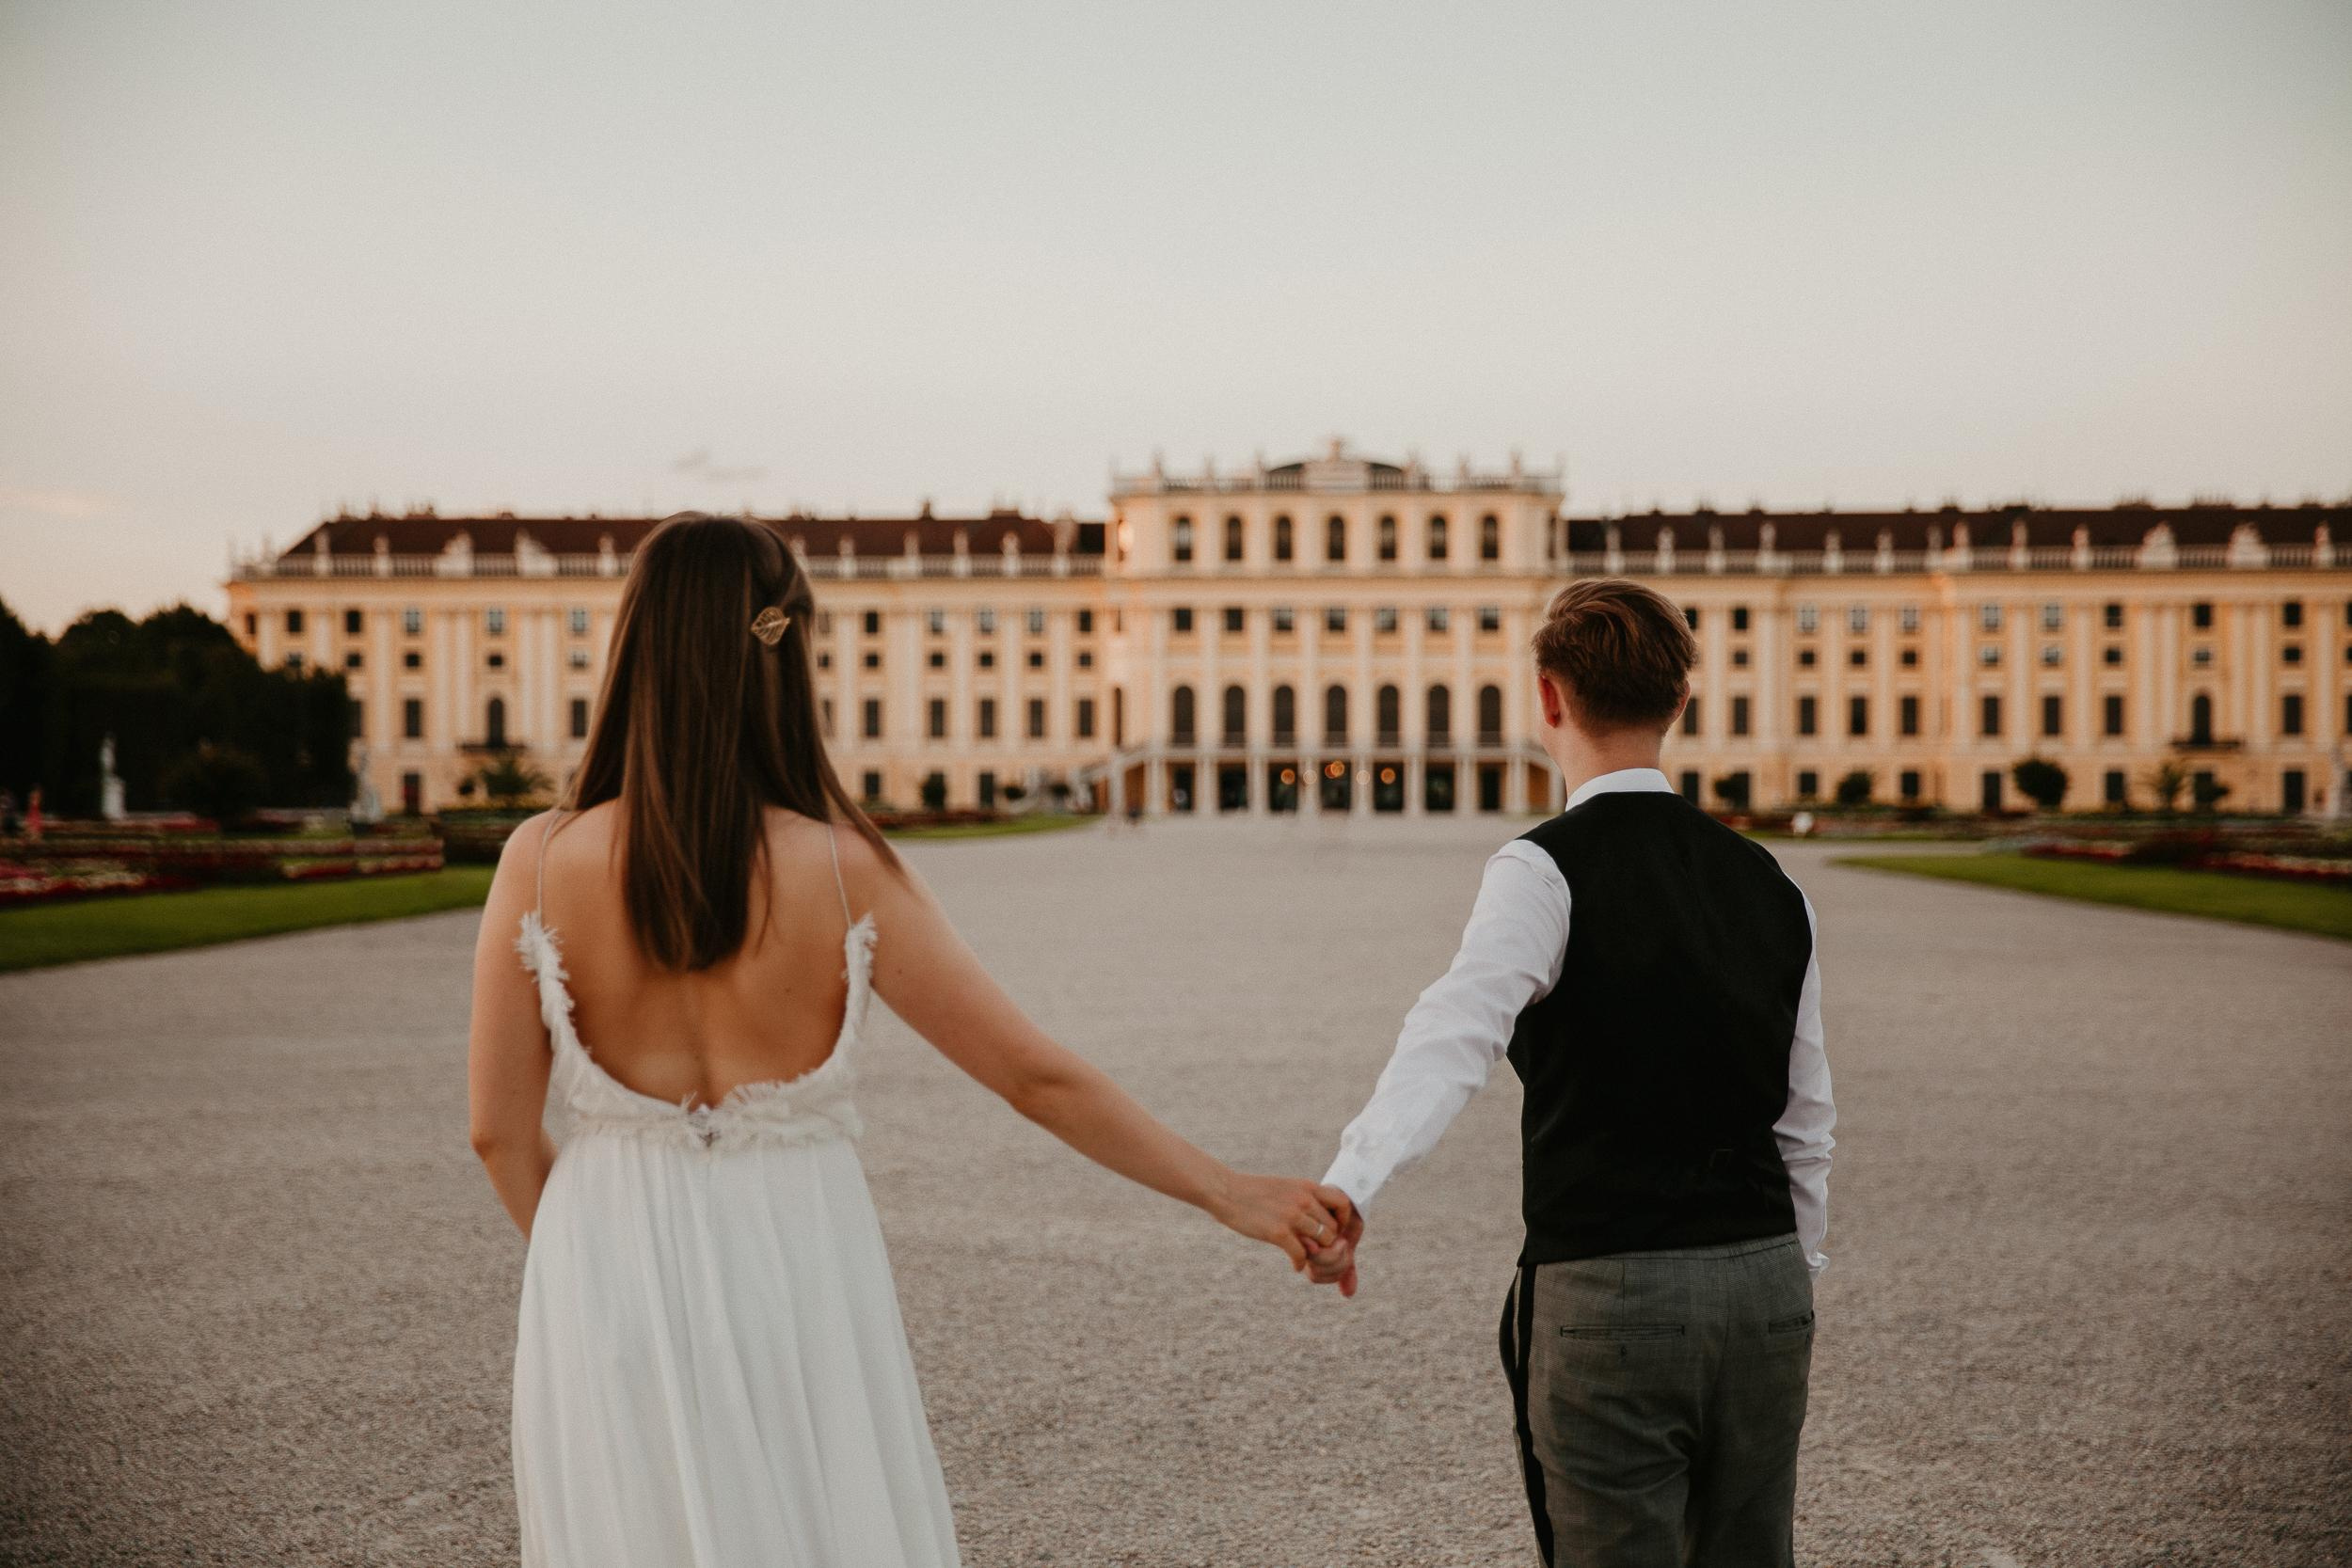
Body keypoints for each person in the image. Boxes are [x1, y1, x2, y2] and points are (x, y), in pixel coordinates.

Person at [467, 512, 1352, 1567]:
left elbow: (496, 1131)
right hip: (794, 1247)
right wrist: (1227, 1191)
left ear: (634, 648)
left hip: (600, 1262)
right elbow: (1032, 1074)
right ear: (782, 650)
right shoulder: (844, 867)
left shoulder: (539, 857)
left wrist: (594, 1265)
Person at [1305, 578, 1836, 1567]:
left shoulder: (1543, 869)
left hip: (1609, 1284)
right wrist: (1789, 1280)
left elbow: (1453, 1032)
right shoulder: (1772, 883)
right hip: (1765, 1283)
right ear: (1680, 701)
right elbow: (1806, 1121)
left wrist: (1350, 1183)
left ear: (1548, 697)